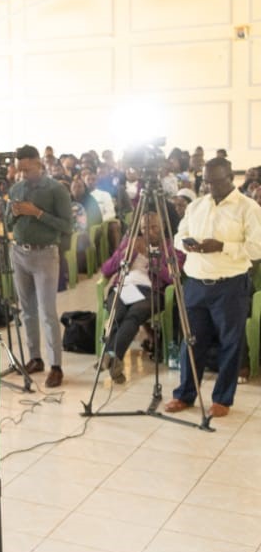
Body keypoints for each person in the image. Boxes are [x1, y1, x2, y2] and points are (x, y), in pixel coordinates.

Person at [166, 158, 261, 417]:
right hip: (196, 283)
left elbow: (257, 248)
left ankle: (222, 398)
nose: (211, 187)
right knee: (191, 341)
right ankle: (185, 394)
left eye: (217, 181)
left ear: (231, 177)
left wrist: (221, 246)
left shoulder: (248, 208)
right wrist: (186, 244)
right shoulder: (196, 205)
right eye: (207, 182)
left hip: (230, 286)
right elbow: (177, 236)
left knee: (230, 343)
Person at [6, 145, 74, 388]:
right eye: (20, 170)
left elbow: (67, 226)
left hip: (45, 254)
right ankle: (35, 358)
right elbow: (7, 222)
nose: (24, 174)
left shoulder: (56, 189)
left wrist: (37, 213)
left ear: (38, 163)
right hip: (19, 252)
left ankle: (56, 366)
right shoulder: (17, 188)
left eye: (28, 169)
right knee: (26, 310)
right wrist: (14, 213)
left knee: (47, 312)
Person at [99, 212, 180, 385]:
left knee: (135, 314)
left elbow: (174, 278)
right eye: (144, 228)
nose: (149, 232)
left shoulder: (170, 248)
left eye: (154, 227)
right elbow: (106, 270)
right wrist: (125, 254)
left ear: (162, 227)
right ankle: (114, 358)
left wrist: (152, 260)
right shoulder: (130, 243)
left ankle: (111, 356)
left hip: (151, 292)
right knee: (118, 312)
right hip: (124, 287)